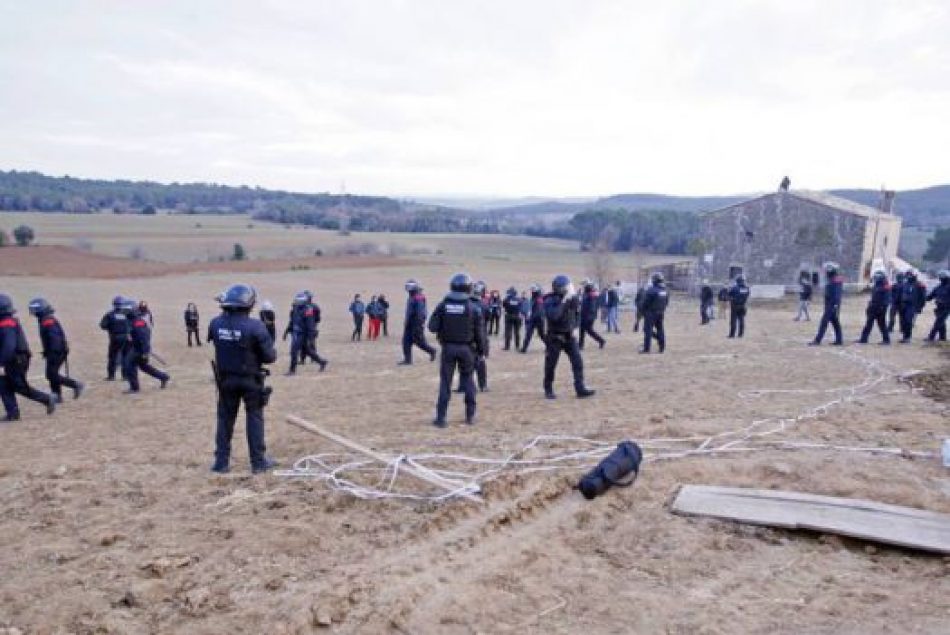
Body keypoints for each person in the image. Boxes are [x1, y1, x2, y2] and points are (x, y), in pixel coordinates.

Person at [207, 284, 278, 474]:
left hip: (226, 380)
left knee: (225, 420)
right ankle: (258, 462)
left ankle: (221, 463)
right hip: (250, 380)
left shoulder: (215, 323)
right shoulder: (256, 326)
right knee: (254, 418)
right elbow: (270, 357)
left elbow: (217, 341)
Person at [428, 273, 487, 427]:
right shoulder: (474, 308)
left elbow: (432, 327)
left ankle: (441, 418)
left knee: (445, 383)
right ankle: (470, 416)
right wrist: (481, 352)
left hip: (448, 348)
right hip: (467, 349)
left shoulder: (443, 305)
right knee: (468, 381)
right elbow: (480, 334)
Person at [0, 294, 56, 420]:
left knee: (19, 386)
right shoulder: (5, 322)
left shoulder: (7, 324)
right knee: (3, 384)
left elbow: (9, 346)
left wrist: (1, 363)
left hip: (16, 360)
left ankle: (47, 399)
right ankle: (12, 413)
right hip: (13, 359)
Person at [543, 275, 596, 400]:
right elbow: (554, 316)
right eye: (567, 287)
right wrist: (564, 302)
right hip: (555, 337)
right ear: (560, 288)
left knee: (578, 362)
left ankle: (580, 388)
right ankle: (548, 388)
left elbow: (577, 314)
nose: (570, 289)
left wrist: (575, 327)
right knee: (550, 365)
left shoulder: (573, 299)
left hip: (569, 336)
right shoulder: (549, 301)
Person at [28, 298, 83, 403]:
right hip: (55, 351)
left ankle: (75, 385)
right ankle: (57, 396)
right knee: (52, 374)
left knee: (51, 374)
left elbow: (55, 338)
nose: (33, 312)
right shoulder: (45, 319)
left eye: (35, 309)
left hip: (56, 351)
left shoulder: (47, 320)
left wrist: (52, 351)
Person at [123, 299, 169, 393]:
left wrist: (145, 351)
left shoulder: (138, 322)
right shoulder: (131, 320)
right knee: (144, 367)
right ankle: (163, 377)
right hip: (136, 347)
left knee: (129, 365)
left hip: (139, 349)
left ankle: (134, 387)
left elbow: (144, 337)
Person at [285, 291, 327, 374]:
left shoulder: (308, 310)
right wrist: (287, 331)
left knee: (294, 351)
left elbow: (310, 325)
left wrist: (311, 338)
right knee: (308, 351)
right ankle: (322, 362)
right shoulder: (296, 309)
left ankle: (292, 370)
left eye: (298, 300)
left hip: (303, 334)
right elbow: (293, 321)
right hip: (296, 333)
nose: (296, 301)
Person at [399, 279, 437, 365]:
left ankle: (432, 351)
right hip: (409, 323)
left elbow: (420, 312)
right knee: (406, 342)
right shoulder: (411, 296)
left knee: (419, 342)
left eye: (409, 287)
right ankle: (407, 360)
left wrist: (419, 323)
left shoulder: (418, 297)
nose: (407, 289)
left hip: (416, 324)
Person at [810, 262, 844, 346]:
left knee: (824, 322)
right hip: (831, 305)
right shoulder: (832, 280)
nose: (825, 273)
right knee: (835, 323)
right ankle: (839, 340)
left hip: (832, 305)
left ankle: (817, 340)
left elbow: (836, 295)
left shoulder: (835, 281)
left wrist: (835, 306)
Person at [100, 295, 132, 381]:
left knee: (112, 357)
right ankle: (125, 376)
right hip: (126, 338)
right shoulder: (128, 314)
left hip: (115, 338)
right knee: (125, 357)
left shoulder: (110, 315)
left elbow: (103, 325)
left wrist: (111, 327)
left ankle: (111, 376)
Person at [856, 270, 891, 345]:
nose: (875, 279)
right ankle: (863, 339)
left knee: (881, 324)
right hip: (873, 307)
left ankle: (886, 340)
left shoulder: (885, 286)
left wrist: (882, 307)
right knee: (869, 323)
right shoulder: (877, 285)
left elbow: (887, 299)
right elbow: (874, 297)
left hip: (880, 308)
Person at [640, 272, 669, 353]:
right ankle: (662, 347)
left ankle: (647, 349)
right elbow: (666, 302)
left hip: (651, 313)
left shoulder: (651, 290)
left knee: (647, 330)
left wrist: (643, 311)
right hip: (660, 312)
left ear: (654, 280)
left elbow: (645, 303)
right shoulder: (665, 290)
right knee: (660, 330)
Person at [897, 270, 927, 343]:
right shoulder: (905, 284)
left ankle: (907, 337)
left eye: (910, 275)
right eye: (907, 275)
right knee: (903, 321)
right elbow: (899, 295)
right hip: (903, 305)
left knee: (908, 321)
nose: (908, 276)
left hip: (912, 305)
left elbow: (923, 297)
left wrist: (920, 307)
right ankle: (904, 337)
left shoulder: (919, 285)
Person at [578, 280, 605, 350]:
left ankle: (601, 341)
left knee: (589, 330)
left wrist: (587, 316)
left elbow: (592, 308)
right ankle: (580, 345)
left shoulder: (591, 296)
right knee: (582, 330)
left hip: (588, 317)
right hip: (585, 316)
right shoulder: (587, 295)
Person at [925, 270, 950, 342]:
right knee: (941, 323)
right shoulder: (938, 287)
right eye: (940, 277)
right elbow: (931, 296)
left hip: (947, 307)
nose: (940, 278)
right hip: (939, 307)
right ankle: (943, 337)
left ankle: (931, 337)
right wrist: (924, 298)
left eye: (942, 277)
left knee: (938, 322)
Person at [521, 284, 546, 353]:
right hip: (533, 318)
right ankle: (524, 348)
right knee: (528, 334)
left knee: (542, 334)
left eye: (533, 290)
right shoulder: (534, 297)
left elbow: (539, 310)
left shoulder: (539, 298)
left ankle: (549, 346)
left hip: (539, 319)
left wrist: (532, 316)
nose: (531, 291)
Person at [502, 286, 524, 351]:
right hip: (517, 316)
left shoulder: (506, 299)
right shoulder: (519, 299)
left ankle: (507, 346)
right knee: (517, 332)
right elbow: (521, 306)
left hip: (509, 316)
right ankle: (517, 346)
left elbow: (504, 305)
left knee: (508, 332)